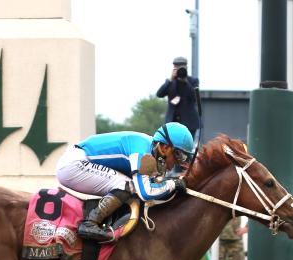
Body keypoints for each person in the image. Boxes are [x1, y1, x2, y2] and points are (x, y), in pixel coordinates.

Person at [55, 122, 195, 242]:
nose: (179, 161)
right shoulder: (141, 150)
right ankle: (89, 223)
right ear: (164, 148)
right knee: (127, 185)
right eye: (178, 154)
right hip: (73, 164)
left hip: (80, 161)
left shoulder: (150, 151)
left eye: (184, 157)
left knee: (129, 185)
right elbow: (146, 192)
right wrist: (173, 184)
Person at [156, 56, 201, 141]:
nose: (179, 70)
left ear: (186, 68)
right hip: (172, 121)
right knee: (171, 147)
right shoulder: (170, 82)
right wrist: (170, 80)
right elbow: (159, 94)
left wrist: (185, 81)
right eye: (176, 67)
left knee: (187, 146)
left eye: (181, 68)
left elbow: (195, 97)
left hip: (189, 122)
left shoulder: (193, 81)